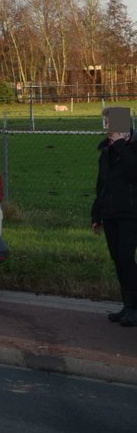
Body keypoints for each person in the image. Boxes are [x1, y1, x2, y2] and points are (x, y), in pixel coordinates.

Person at [92, 108, 137, 327]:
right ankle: (127, 305)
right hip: (111, 213)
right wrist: (96, 213)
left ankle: (135, 307)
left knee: (126, 257)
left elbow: (133, 172)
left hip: (131, 213)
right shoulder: (106, 151)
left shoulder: (131, 147)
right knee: (118, 259)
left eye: (110, 123)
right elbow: (102, 184)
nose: (107, 128)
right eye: (106, 123)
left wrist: (120, 145)